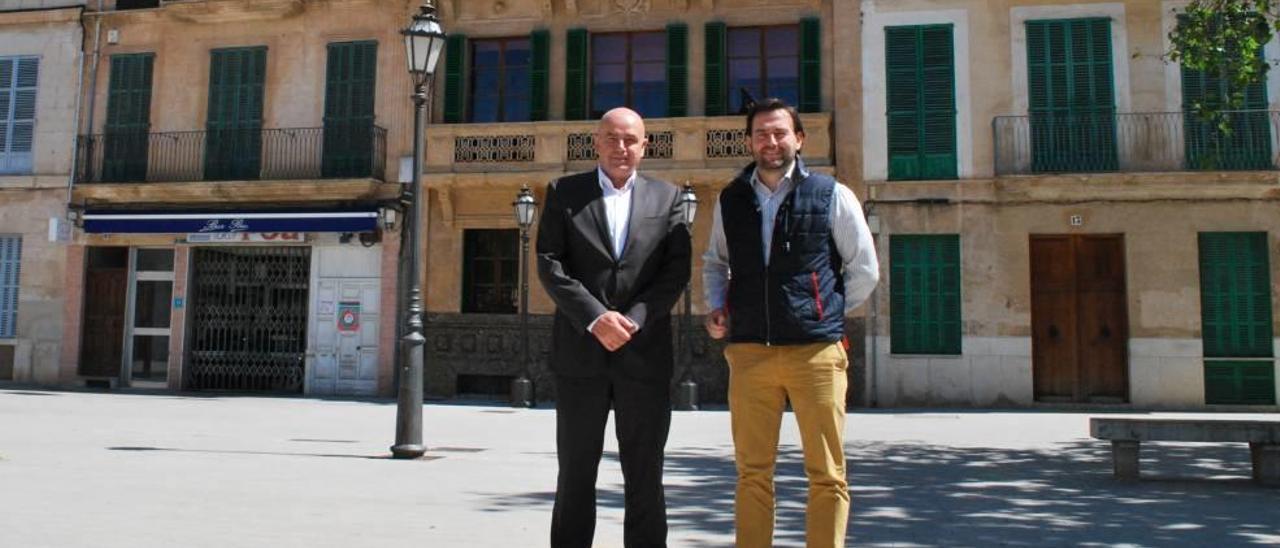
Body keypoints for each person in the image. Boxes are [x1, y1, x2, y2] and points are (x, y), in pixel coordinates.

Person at [702, 98, 880, 548]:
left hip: (815, 353)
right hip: (748, 353)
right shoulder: (731, 198)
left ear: (799, 139)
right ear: (749, 141)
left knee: (827, 473)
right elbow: (714, 262)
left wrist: (825, 313)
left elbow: (864, 269)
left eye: (780, 132)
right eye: (761, 133)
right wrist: (718, 304)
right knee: (752, 473)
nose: (771, 141)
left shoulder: (832, 194)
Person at [536, 107, 692, 548]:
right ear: (596, 143)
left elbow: (676, 270)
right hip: (579, 357)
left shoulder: (669, 198)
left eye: (629, 140)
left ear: (645, 146)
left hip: (644, 357)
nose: (620, 148)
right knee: (575, 472)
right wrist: (594, 318)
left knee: (645, 473)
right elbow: (550, 263)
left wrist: (635, 320)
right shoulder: (564, 192)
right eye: (611, 138)